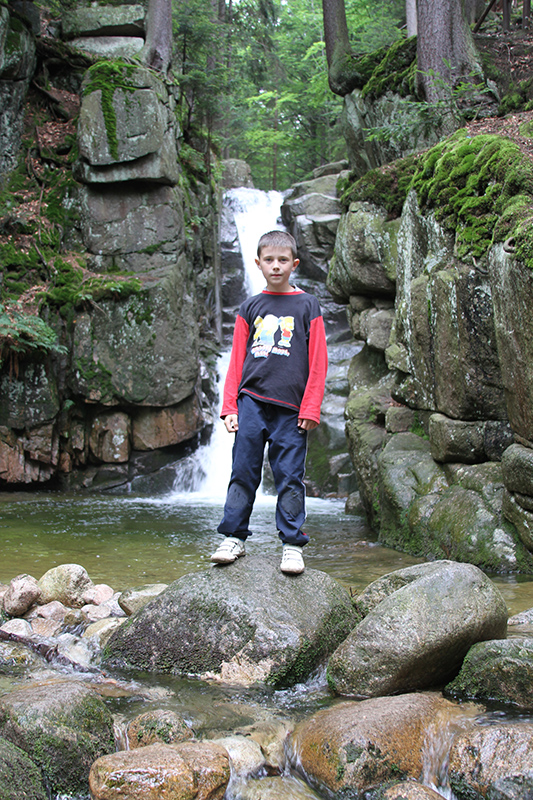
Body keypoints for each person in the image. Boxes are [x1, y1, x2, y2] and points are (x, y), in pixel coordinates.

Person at [211, 230, 328, 575]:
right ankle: (233, 537)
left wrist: (311, 406)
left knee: (290, 476)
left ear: (294, 264)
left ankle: (292, 544)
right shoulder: (250, 307)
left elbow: (318, 360)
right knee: (243, 470)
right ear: (258, 263)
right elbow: (236, 359)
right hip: (251, 402)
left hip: (291, 408)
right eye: (269, 260)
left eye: (282, 260)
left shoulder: (308, 305)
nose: (276, 266)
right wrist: (229, 406)